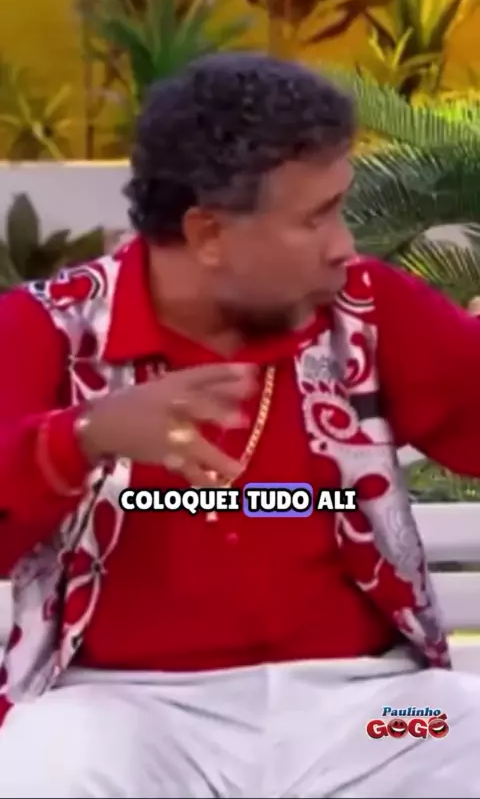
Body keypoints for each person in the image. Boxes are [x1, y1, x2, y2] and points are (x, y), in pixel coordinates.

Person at [0, 53, 480, 799]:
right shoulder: (46, 328)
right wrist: (84, 436)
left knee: (456, 725)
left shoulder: (364, 304)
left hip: (365, 716)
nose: (344, 244)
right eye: (316, 217)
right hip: (134, 717)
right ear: (209, 233)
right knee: (44, 765)